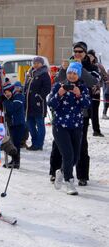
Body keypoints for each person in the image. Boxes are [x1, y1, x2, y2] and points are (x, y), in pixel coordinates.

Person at [47, 62, 91, 195]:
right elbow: (50, 103)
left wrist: (79, 94)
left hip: (77, 126)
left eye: (75, 73)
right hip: (60, 126)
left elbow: (87, 105)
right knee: (68, 154)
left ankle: (61, 171)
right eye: (70, 73)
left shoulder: (83, 88)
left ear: (78, 75)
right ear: (67, 74)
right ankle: (69, 181)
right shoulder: (58, 86)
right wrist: (59, 94)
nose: (72, 76)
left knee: (75, 157)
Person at [24, 56, 52, 151]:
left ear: (42, 64)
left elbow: (47, 88)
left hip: (38, 104)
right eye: (34, 63)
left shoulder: (44, 74)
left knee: (40, 124)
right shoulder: (30, 73)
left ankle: (39, 144)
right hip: (29, 105)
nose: (35, 65)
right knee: (30, 124)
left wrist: (39, 97)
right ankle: (34, 142)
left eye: (38, 63)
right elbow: (26, 86)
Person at [1, 82, 26, 169]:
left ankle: (16, 161)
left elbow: (13, 108)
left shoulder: (19, 97)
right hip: (12, 124)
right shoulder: (10, 99)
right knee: (12, 142)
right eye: (5, 93)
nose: (7, 94)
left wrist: (6, 102)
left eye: (9, 92)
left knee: (16, 143)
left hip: (19, 124)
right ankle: (13, 160)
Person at [86, 50, 105, 137]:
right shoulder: (84, 65)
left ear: (94, 57)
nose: (89, 57)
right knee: (86, 110)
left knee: (94, 111)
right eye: (88, 55)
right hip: (85, 91)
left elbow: (105, 76)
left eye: (91, 56)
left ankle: (96, 130)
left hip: (95, 92)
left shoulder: (98, 66)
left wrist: (101, 81)